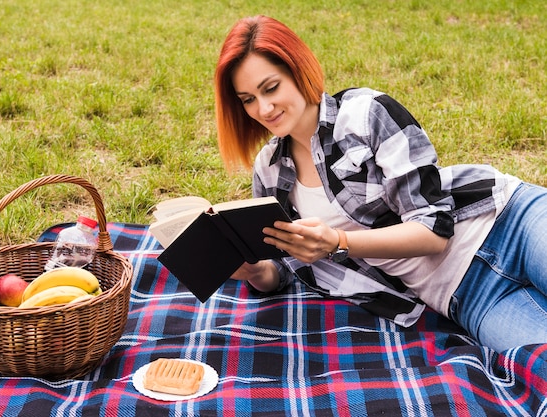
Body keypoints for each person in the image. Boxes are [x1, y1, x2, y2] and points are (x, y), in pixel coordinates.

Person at [213, 15, 547, 353]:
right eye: (248, 99)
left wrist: (339, 242)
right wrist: (256, 271)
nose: (264, 108)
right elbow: (284, 268)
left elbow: (434, 231)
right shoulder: (269, 171)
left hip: (508, 223)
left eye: (271, 88)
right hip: (465, 295)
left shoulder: (365, 114)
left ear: (298, 70)